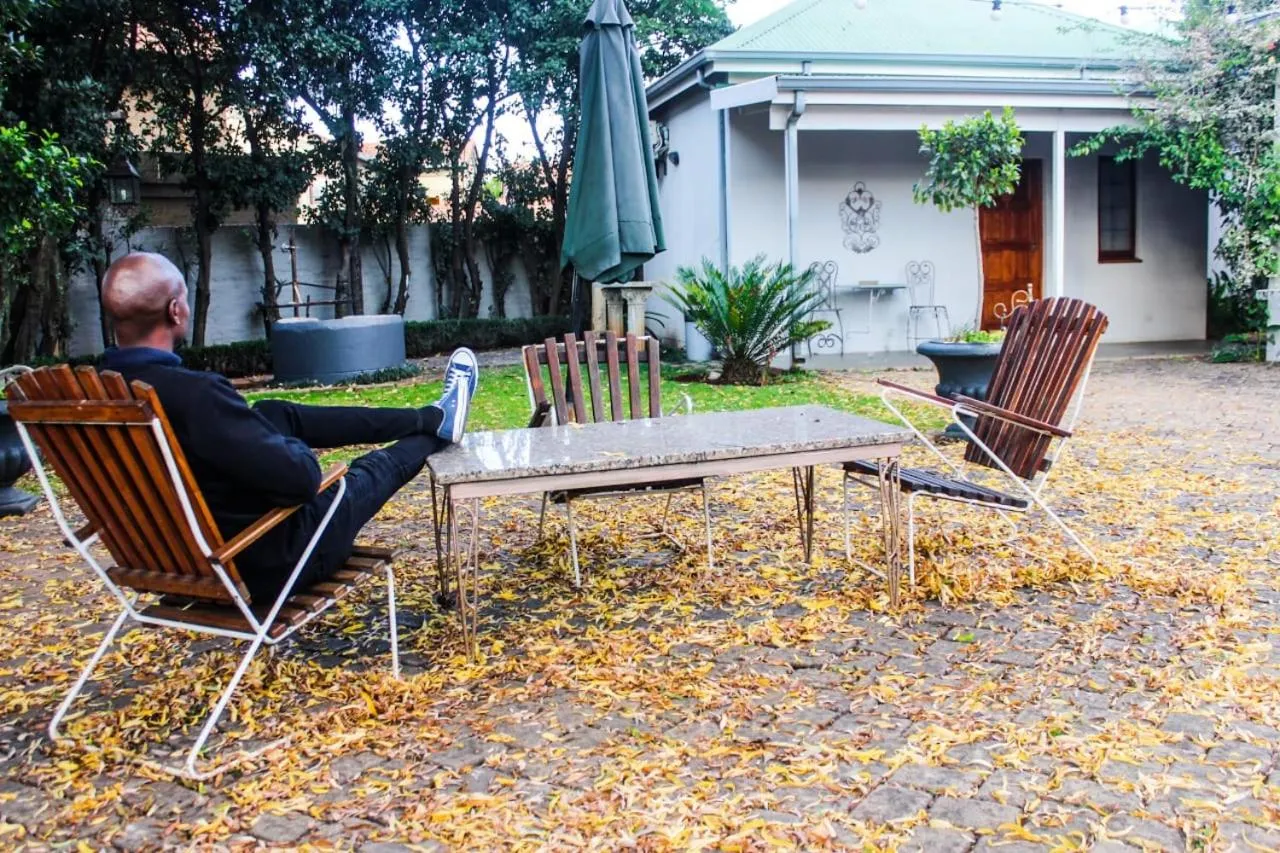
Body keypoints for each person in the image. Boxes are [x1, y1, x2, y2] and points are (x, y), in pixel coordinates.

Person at [98, 252, 478, 603]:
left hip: (177, 558)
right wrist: (286, 447)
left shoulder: (95, 397)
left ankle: (429, 416)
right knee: (367, 472)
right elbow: (302, 481)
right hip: (271, 559)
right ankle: (437, 428)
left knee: (275, 412)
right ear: (176, 310)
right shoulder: (195, 397)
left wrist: (271, 435)